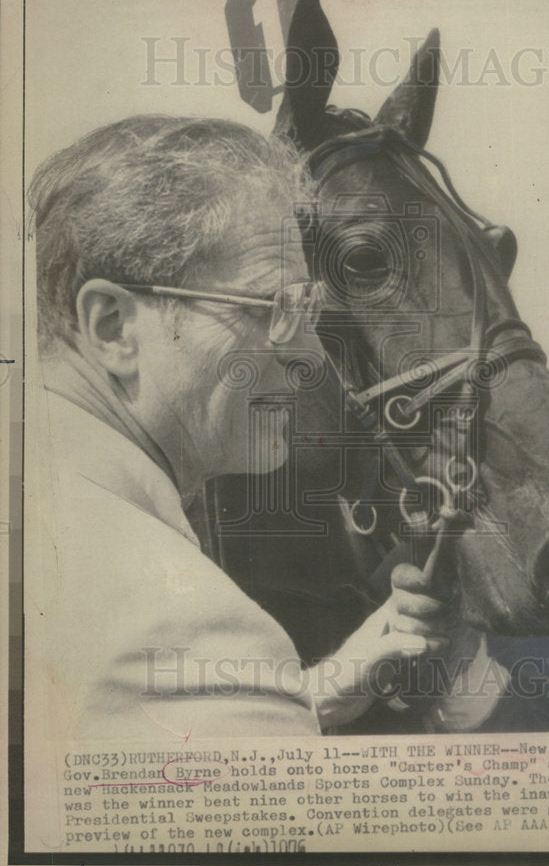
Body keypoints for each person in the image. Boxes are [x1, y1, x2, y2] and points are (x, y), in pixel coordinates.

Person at [25, 114, 451, 749]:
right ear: (113, 326)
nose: (310, 357)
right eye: (271, 310)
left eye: (306, 311)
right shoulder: (189, 631)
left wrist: (306, 696)